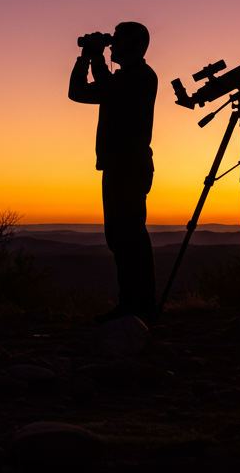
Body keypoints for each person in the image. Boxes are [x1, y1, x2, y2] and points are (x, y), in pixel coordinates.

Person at [69, 21, 158, 324]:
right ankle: (131, 304)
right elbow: (77, 92)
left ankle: (140, 306)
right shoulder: (123, 80)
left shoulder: (142, 77)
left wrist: (95, 56)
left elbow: (104, 85)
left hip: (129, 165)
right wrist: (86, 57)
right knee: (119, 237)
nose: (111, 45)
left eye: (116, 40)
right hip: (118, 165)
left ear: (132, 45)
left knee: (130, 236)